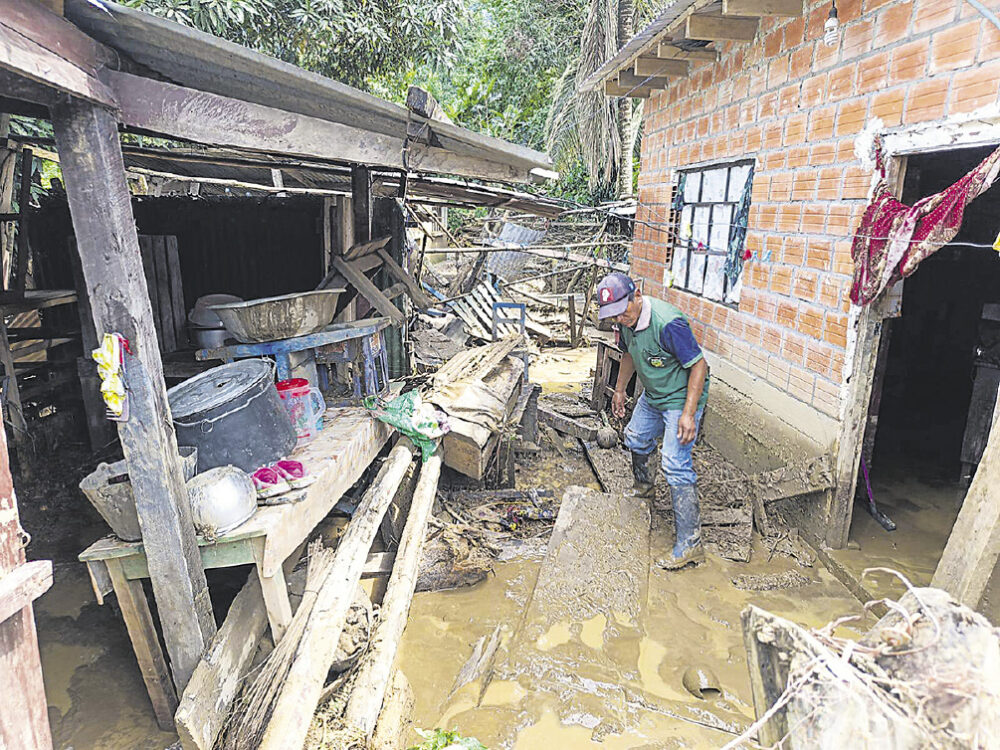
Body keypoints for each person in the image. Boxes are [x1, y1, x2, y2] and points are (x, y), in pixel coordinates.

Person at [596, 272, 709, 569]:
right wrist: (620, 390)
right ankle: (644, 492)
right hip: (654, 394)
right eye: (613, 315)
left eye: (623, 310)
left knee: (674, 462)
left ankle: (690, 544)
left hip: (681, 398)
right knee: (635, 437)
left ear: (637, 295)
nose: (620, 318)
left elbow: (699, 366)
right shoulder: (627, 324)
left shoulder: (667, 323)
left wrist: (688, 414)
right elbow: (629, 355)